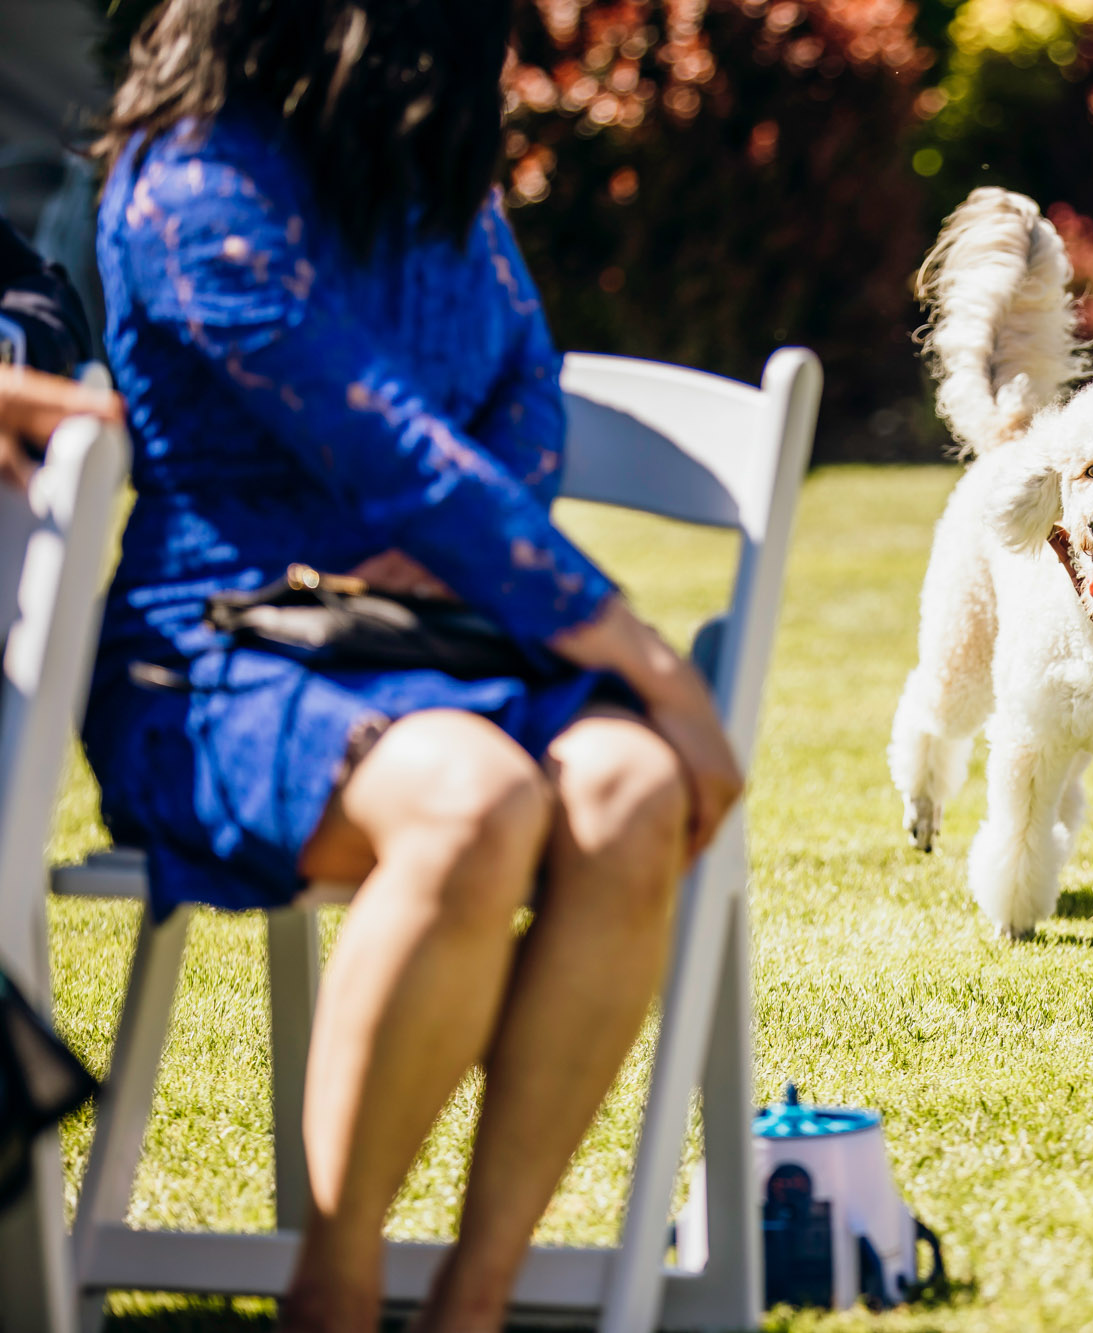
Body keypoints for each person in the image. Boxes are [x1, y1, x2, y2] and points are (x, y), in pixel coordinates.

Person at [89, 3, 742, 1330]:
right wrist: (638, 649)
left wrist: (459, 557)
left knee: (626, 796)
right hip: (222, 645)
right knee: (476, 801)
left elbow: (525, 387)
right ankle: (332, 1294)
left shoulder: (427, 164)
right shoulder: (192, 175)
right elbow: (382, 436)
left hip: (440, 642)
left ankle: (473, 1300)